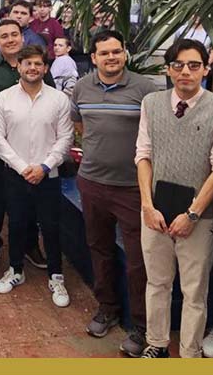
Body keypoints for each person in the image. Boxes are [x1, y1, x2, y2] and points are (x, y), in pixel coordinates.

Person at [134, 39, 213, 358]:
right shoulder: (151, 103)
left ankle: (190, 353)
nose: (185, 72)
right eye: (178, 65)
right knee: (157, 283)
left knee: (194, 291)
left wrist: (192, 215)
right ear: (168, 69)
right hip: (155, 213)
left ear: (206, 69)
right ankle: (157, 344)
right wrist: (147, 206)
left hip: (199, 218)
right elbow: (143, 155)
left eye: (194, 65)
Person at [70, 29, 165, 356]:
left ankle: (141, 325)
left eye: (116, 51)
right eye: (104, 53)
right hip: (92, 182)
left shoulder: (145, 89)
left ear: (125, 53)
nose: (111, 57)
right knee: (100, 249)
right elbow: (80, 126)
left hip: (133, 189)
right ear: (93, 58)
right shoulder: (82, 87)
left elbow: (156, 135)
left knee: (139, 260)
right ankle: (107, 308)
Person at [0, 45, 74, 306]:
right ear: (19, 66)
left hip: (48, 174)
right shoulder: (4, 98)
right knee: (16, 223)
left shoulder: (58, 99)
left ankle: (56, 276)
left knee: (51, 226)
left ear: (45, 68)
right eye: (27, 63)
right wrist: (21, 167)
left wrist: (44, 166)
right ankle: (15, 270)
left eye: (38, 64)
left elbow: (66, 138)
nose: (33, 68)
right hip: (16, 174)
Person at [0, 20, 54, 272]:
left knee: (30, 201)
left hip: (34, 150)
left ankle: (30, 245)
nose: (10, 40)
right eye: (4, 36)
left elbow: (50, 100)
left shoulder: (36, 64)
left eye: (14, 34)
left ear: (22, 37)